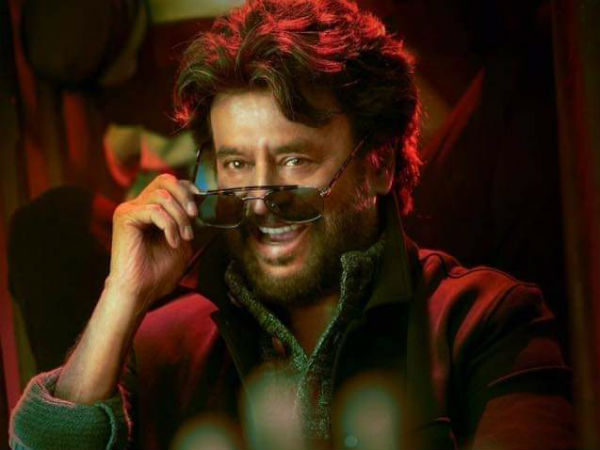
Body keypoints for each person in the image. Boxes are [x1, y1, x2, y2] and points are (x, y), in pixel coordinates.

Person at [9, 0, 575, 449]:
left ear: (378, 165)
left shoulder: (488, 320)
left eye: (294, 160)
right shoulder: (156, 343)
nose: (260, 204)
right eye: (236, 165)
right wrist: (121, 297)